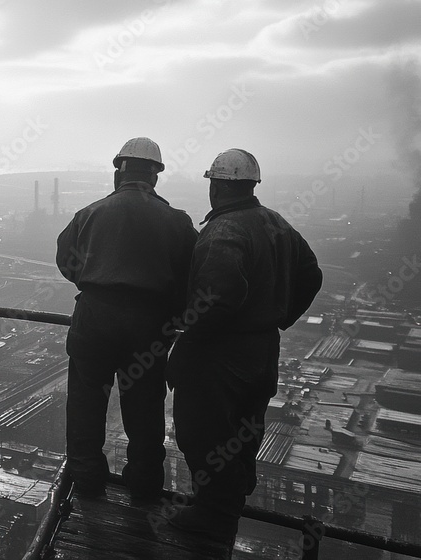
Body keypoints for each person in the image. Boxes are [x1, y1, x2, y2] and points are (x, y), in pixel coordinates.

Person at [165, 148, 322, 543]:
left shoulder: (224, 231)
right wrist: (281, 317)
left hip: (221, 353)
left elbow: (217, 296)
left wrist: (187, 345)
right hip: (263, 349)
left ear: (216, 187)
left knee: (204, 430)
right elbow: (311, 273)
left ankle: (213, 514)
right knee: (243, 429)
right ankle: (225, 505)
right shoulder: (277, 224)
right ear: (251, 185)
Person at [56, 137, 198, 499]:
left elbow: (66, 262)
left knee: (86, 406)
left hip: (94, 321)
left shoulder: (90, 214)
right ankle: (145, 483)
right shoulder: (177, 222)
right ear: (155, 174)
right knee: (145, 410)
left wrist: (98, 284)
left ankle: (87, 479)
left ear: (119, 170)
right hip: (147, 328)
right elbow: (192, 278)